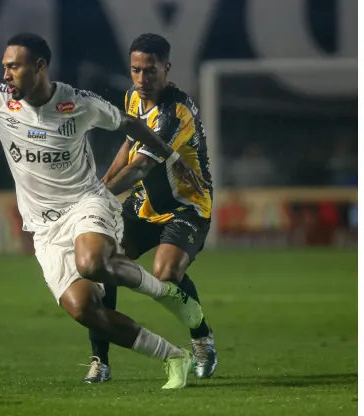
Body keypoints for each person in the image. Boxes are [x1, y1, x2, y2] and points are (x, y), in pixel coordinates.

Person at [0, 31, 207, 389]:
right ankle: (173, 356)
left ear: (39, 67)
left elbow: (129, 125)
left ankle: (166, 294)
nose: (5, 74)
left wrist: (172, 155)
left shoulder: (77, 102)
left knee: (92, 263)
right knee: (84, 310)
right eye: (4, 67)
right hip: (44, 228)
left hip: (87, 202)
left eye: (14, 67)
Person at [83, 33, 217, 384]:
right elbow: (128, 146)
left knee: (165, 273)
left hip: (186, 207)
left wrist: (100, 197)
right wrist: (98, 189)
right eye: (136, 70)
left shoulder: (177, 112)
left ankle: (202, 338)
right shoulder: (132, 98)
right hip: (144, 206)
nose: (142, 79)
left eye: (151, 71)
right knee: (99, 265)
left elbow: (141, 166)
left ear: (167, 69)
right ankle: (100, 360)